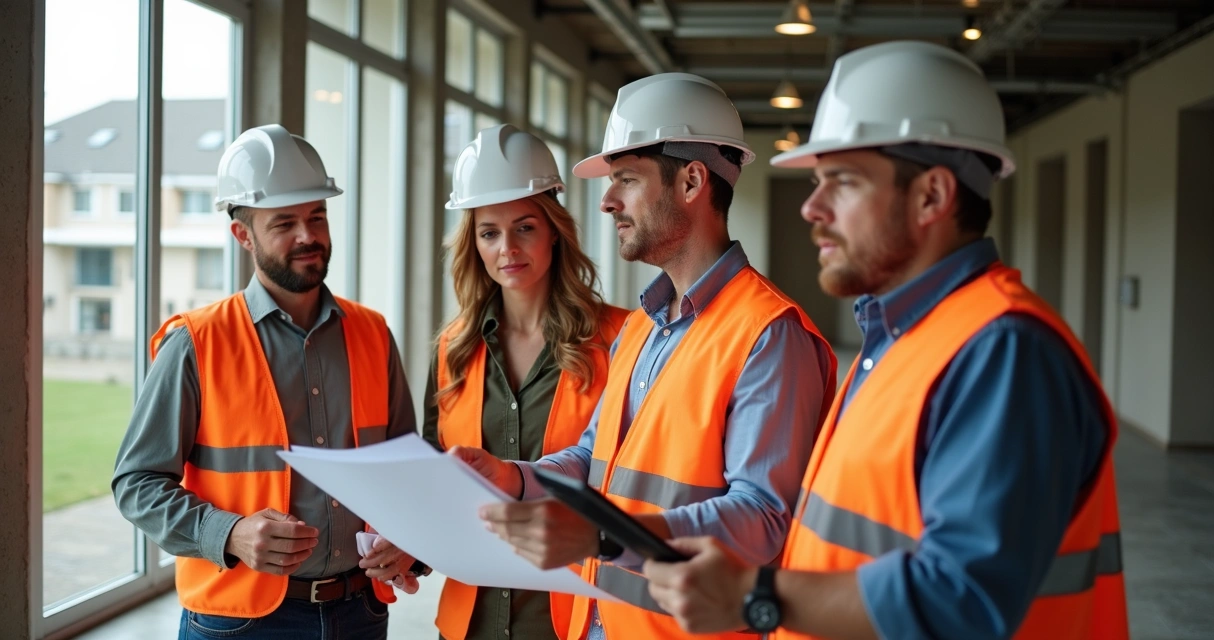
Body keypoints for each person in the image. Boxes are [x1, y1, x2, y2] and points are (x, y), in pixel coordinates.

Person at [642, 41, 1128, 640]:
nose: (812, 208)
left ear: (931, 196)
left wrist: (754, 595)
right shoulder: (901, 339)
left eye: (841, 182)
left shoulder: (1003, 351)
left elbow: (965, 599)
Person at [452, 73, 837, 640]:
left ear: (691, 181)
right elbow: (591, 457)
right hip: (603, 622)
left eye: (626, 180)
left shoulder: (768, 334)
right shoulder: (643, 326)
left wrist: (605, 536)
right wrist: (514, 478)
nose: (607, 202)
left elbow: (762, 519)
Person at [112, 124, 418, 639]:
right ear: (243, 235)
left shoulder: (372, 333)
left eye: (317, 216)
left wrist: (408, 536)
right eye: (285, 223)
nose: (308, 236)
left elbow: (408, 467)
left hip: (359, 613)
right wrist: (228, 533)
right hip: (239, 623)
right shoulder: (196, 342)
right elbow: (135, 484)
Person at [422, 123, 629, 640]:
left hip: (576, 617)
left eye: (525, 227)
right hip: (471, 618)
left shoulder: (622, 338)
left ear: (554, 228)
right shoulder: (454, 348)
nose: (507, 248)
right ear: (473, 241)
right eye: (489, 232)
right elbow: (434, 476)